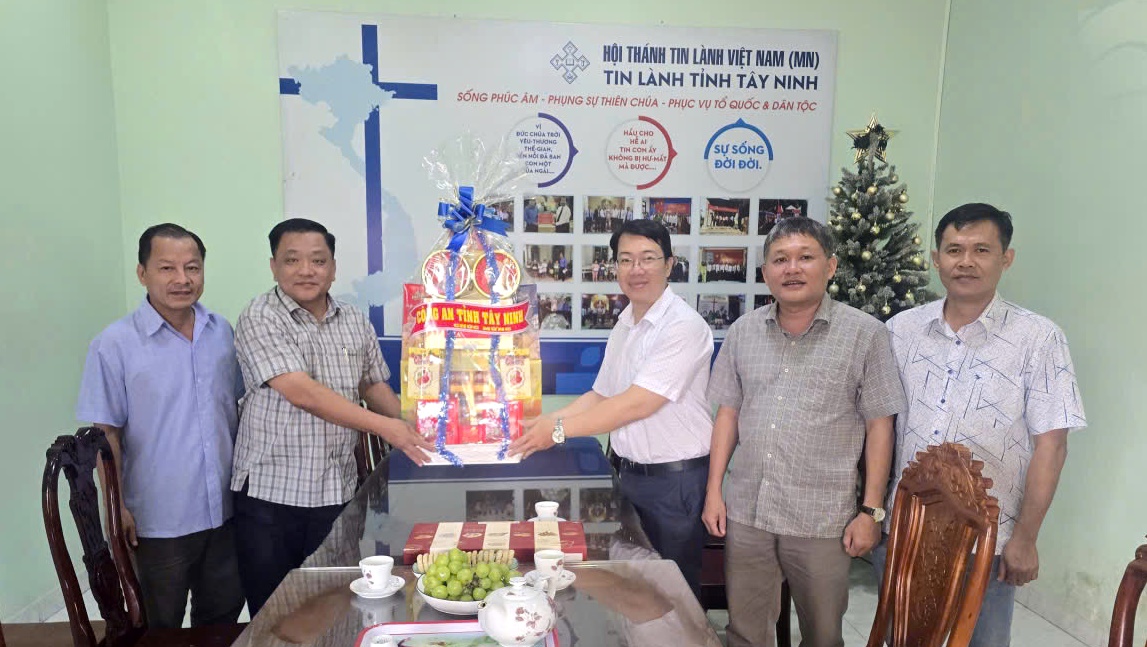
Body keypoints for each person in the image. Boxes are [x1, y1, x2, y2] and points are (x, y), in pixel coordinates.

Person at [881, 203, 1086, 646]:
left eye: (981, 250)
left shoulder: (1038, 339)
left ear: (1005, 259)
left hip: (988, 541)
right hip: (909, 531)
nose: (966, 262)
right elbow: (880, 427)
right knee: (905, 637)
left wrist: (1025, 537)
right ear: (936, 259)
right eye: (954, 250)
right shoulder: (901, 331)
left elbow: (1052, 446)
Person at [703, 217, 906, 647]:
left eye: (805, 257)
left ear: (830, 266)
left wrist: (871, 512)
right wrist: (714, 490)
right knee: (745, 632)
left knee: (823, 636)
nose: (791, 268)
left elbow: (880, 426)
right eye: (780, 260)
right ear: (765, 273)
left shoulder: (865, 334)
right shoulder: (743, 332)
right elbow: (728, 414)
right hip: (749, 512)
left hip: (822, 519)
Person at [230, 218, 434, 614]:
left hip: (337, 493)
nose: (306, 270)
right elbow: (301, 392)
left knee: (336, 607)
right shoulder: (260, 316)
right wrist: (388, 428)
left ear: (334, 268)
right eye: (292, 260)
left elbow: (373, 385)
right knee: (276, 615)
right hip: (272, 496)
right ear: (273, 266)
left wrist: (420, 431)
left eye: (318, 260)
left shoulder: (354, 319)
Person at [509, 219, 714, 600]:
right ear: (615, 267)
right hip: (629, 476)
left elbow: (637, 403)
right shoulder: (625, 324)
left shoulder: (683, 326)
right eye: (626, 259)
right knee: (633, 588)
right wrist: (545, 421)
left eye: (648, 258)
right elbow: (601, 395)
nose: (637, 269)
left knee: (673, 597)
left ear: (669, 265)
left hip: (674, 484)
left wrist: (557, 431)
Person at [76, 223, 244, 628]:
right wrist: (116, 507)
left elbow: (237, 410)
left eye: (192, 267)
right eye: (167, 268)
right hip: (157, 521)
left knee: (221, 620)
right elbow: (107, 435)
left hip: (226, 512)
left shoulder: (222, 332)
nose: (182, 279)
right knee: (157, 625)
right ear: (142, 273)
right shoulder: (114, 344)